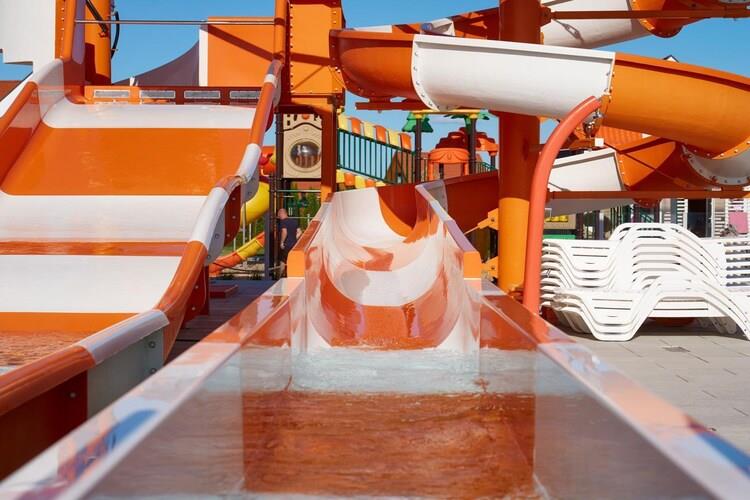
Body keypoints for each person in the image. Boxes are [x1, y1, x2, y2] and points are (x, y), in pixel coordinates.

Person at [277, 208, 301, 276]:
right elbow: (299, 232)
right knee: (291, 260)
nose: (278, 217)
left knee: (283, 260)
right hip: (294, 245)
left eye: (278, 215)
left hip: (286, 245)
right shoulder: (294, 221)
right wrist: (294, 238)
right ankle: (291, 275)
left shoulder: (283, 222)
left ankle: (280, 276)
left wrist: (282, 242)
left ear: (282, 213)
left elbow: (284, 232)